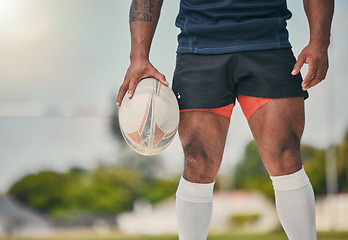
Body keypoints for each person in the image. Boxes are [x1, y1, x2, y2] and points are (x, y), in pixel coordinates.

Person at [116, 0, 334, 239]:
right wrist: (138, 57)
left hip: (268, 40)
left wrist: (320, 41)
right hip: (198, 46)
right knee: (198, 162)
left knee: (286, 155)